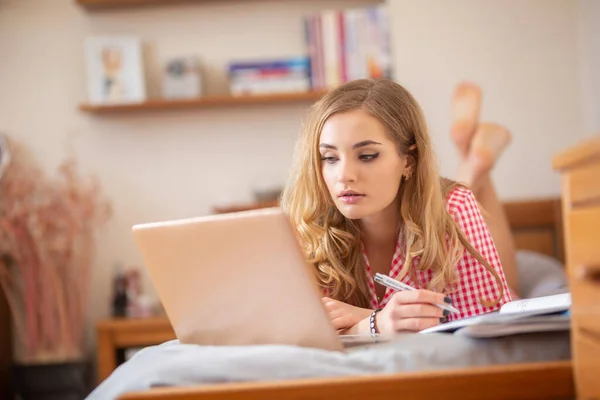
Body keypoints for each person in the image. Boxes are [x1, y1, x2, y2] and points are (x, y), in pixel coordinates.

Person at [280, 78, 514, 335]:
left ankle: (474, 167)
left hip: (445, 211)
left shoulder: (455, 208)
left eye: (367, 156)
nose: (344, 175)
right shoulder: (307, 224)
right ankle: (473, 162)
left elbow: (489, 323)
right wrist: (374, 324)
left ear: (409, 161)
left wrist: (369, 320)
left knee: (512, 292)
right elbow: (299, 334)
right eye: (330, 158)